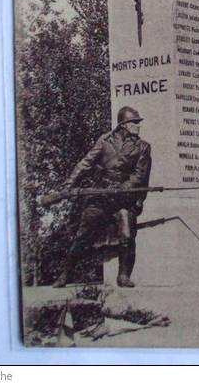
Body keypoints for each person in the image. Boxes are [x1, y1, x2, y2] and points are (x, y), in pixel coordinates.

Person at [53, 106, 151, 288]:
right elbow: (86, 163)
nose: (138, 125)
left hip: (123, 198)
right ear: (124, 125)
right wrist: (69, 184)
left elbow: (140, 176)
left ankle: (123, 276)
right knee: (83, 236)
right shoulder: (105, 141)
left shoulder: (143, 147)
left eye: (138, 123)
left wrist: (122, 188)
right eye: (135, 122)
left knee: (127, 235)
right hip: (100, 195)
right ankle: (65, 274)